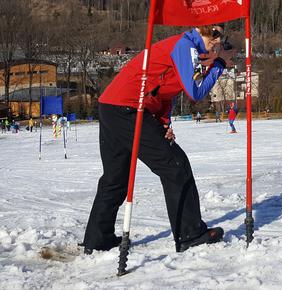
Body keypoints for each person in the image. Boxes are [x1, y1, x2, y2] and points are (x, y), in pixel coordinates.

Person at [83, 24, 228, 254]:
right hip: (127, 108)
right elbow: (195, 92)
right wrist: (219, 67)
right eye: (213, 33)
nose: (217, 41)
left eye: (221, 36)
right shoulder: (186, 45)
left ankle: (97, 239)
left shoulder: (189, 53)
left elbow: (163, 93)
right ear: (200, 29)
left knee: (115, 177)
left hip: (114, 105)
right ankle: (190, 234)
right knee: (175, 165)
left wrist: (164, 124)